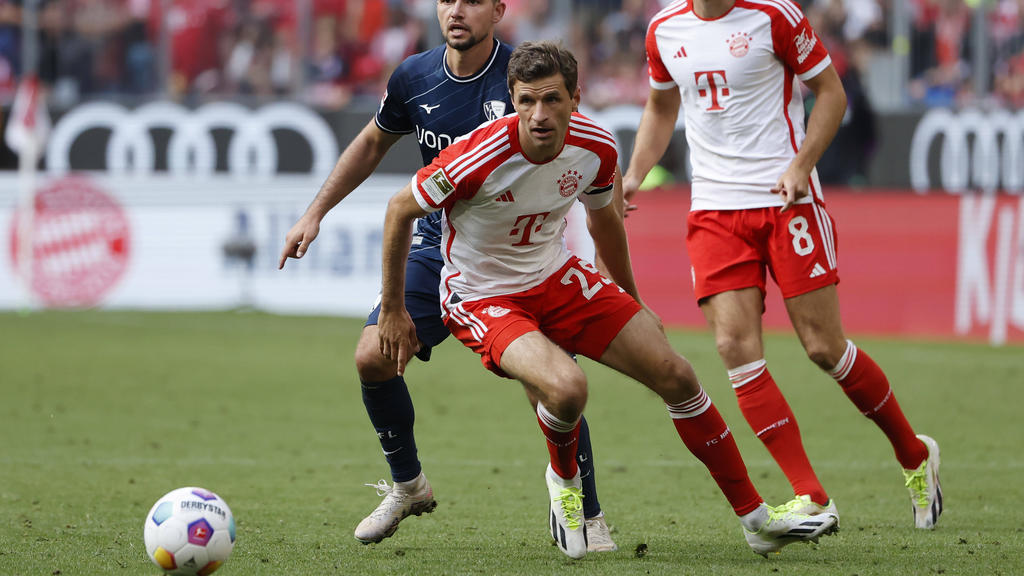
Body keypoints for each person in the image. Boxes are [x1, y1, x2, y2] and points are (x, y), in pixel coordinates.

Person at [378, 40, 838, 559]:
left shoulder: (596, 147)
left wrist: (633, 301)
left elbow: (605, 223)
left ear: (577, 97)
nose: (539, 114)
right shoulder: (479, 152)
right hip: (483, 296)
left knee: (679, 375)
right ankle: (565, 482)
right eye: (526, 101)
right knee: (568, 389)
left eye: (552, 100)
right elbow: (399, 209)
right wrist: (393, 309)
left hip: (555, 279)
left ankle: (755, 519)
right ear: (512, 98)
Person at [277, 0, 619, 551]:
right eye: (446, 0)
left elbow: (574, 153)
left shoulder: (525, 81)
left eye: (472, 0)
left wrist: (607, 209)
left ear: (499, 10)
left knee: (551, 388)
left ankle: (588, 512)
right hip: (438, 251)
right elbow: (371, 143)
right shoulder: (414, 77)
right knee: (372, 356)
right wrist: (315, 212)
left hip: (514, 264)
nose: (457, 10)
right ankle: (409, 486)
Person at [622, 0, 942, 530]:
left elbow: (832, 93)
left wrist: (801, 166)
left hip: (785, 200)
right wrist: (635, 172)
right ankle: (810, 494)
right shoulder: (663, 28)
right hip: (714, 209)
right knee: (734, 349)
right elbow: (661, 106)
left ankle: (913, 454)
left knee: (823, 347)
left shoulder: (775, 16)